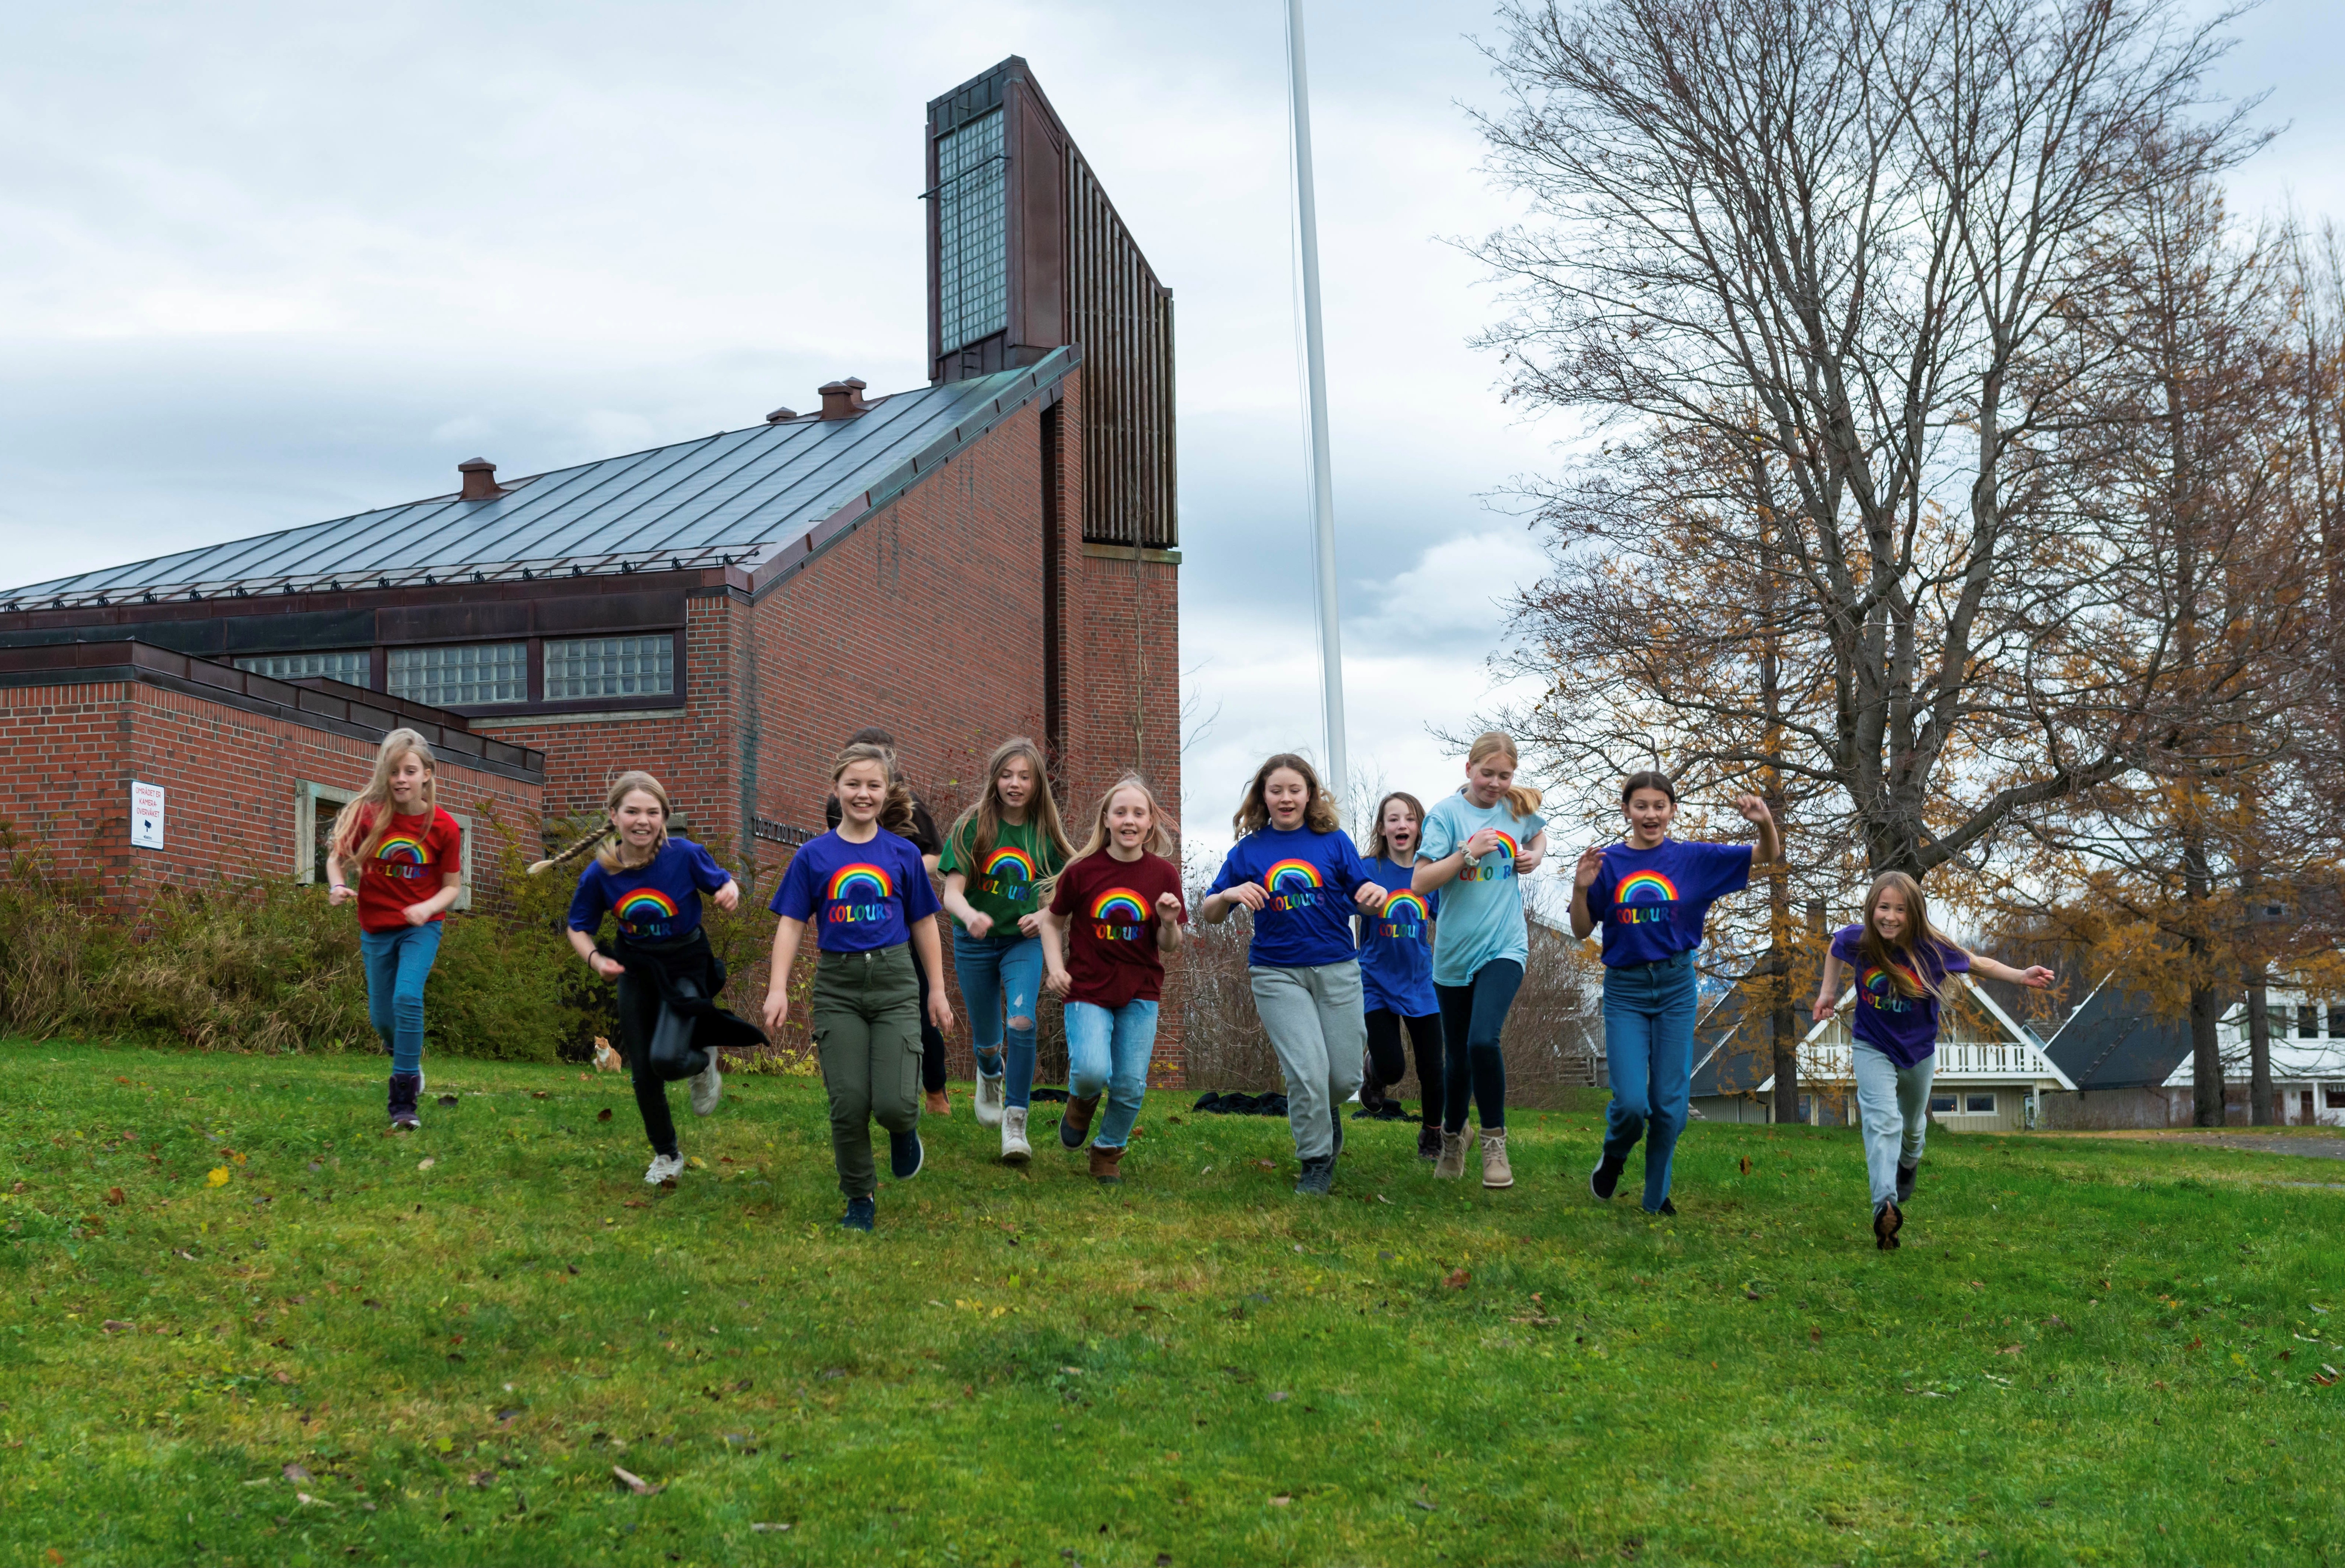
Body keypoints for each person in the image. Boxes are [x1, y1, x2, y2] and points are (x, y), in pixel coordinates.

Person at [1572, 769, 1780, 1215]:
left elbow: (1768, 854)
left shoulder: (1693, 860)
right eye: (1641, 806)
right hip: (1625, 990)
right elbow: (1580, 929)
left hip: (1675, 989)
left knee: (1671, 1108)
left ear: (1671, 810)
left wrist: (1762, 820)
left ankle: (1654, 1201)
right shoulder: (1606, 863)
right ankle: (1613, 1156)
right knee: (1630, 1103)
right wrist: (1580, 886)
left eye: (1659, 806)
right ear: (1626, 810)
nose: (1650, 815)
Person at [1811, 871, 2053, 1249]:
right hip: (1871, 1045)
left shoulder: (1931, 949)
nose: (1890, 917)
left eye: (1900, 910)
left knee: (1910, 1127)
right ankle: (1884, 1208)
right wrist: (1827, 992)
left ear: (1915, 915)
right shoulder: (1858, 940)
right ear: (1871, 909)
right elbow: (1834, 948)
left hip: (1918, 1051)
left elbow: (1979, 964)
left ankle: (1909, 1163)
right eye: (1883, 908)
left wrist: (2020, 975)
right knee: (1880, 1121)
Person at [769, 742, 955, 1231]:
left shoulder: (902, 854)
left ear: (886, 791)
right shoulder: (814, 855)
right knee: (848, 1102)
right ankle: (859, 1196)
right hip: (838, 987)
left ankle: (902, 1128)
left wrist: (935, 989)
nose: (862, 793)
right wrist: (777, 988)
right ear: (836, 789)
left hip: (896, 981)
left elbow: (924, 924)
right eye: (853, 784)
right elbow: (790, 923)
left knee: (895, 1103)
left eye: (873, 785)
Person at [540, 772, 751, 1185]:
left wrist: (730, 891)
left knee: (668, 1060)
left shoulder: (686, 855)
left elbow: (724, 881)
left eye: (652, 812)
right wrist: (596, 960)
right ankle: (667, 1155)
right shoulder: (601, 872)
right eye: (632, 811)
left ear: (664, 818)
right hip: (635, 970)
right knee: (643, 1071)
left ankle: (702, 1062)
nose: (643, 821)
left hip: (687, 964)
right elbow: (577, 927)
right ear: (614, 816)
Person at [1200, 753, 1389, 1196]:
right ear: (1263, 797)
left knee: (1343, 1078)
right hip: (1275, 973)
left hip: (1337, 967)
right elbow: (1210, 913)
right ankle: (1316, 1161)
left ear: (1309, 794)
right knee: (1305, 1071)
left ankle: (1326, 1111)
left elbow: (1361, 895)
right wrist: (1228, 892)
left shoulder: (1334, 842)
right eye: (1276, 790)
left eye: (1294, 790)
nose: (1285, 798)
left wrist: (1373, 894)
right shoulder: (1249, 851)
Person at [1413, 733, 1550, 1188]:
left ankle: (1494, 1142)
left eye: (1504, 776)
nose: (1494, 783)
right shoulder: (1445, 815)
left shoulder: (1516, 809)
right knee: (1457, 1061)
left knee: (1481, 1042)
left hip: (1504, 945)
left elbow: (1537, 834)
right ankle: (1453, 1138)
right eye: (1486, 774)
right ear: (1468, 769)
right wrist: (1466, 852)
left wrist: (1533, 857)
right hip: (1453, 954)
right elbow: (1420, 882)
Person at [1039, 775, 1187, 1182]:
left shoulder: (1163, 875)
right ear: (1106, 819)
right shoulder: (1083, 871)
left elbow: (1169, 944)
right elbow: (1050, 923)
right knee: (1090, 1071)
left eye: (1138, 813)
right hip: (1086, 988)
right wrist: (1055, 968)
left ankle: (1106, 1151)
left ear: (1150, 823)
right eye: (1120, 812)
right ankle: (1081, 1102)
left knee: (1129, 1085)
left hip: (1140, 991)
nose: (1129, 820)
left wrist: (1170, 922)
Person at [940, 737, 1074, 1162]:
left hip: (1022, 942)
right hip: (974, 942)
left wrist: (1047, 913)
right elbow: (951, 892)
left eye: (1024, 777)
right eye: (1006, 775)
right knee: (987, 1039)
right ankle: (988, 1072)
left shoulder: (1045, 833)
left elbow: (1071, 887)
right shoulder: (972, 825)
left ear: (1037, 784)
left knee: (1020, 1020)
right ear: (994, 779)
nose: (1014, 784)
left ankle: (1016, 1123)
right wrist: (970, 916)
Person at [325, 728, 464, 1132]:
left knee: (407, 997)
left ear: (427, 775)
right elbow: (337, 859)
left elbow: (453, 887)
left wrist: (427, 907)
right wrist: (337, 885)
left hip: (422, 927)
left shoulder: (444, 827)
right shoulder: (369, 816)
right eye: (393, 771)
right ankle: (403, 1047)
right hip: (376, 927)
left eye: (410, 771)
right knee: (382, 1017)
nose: (401, 779)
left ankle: (403, 1099)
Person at [823, 726, 953, 1116]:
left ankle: (935, 1091)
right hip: (857, 918)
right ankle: (870, 1090)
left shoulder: (911, 804)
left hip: (904, 919)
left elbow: (938, 856)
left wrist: (902, 871)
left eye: (881, 756)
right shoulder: (839, 807)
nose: (863, 791)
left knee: (920, 1003)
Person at [1357, 790, 1446, 1161]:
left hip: (1420, 982)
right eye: (1393, 819)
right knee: (1393, 1067)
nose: (1401, 825)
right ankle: (1374, 1075)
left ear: (1419, 827)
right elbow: (1346, 902)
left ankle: (1432, 1136)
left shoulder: (1430, 873)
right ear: (1382, 828)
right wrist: (1361, 902)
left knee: (1432, 1068)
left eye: (1409, 819)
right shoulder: (1367, 868)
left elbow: (1450, 920)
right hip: (1375, 980)